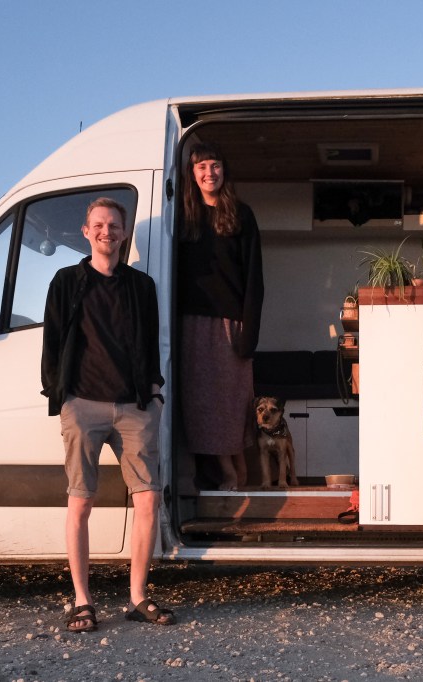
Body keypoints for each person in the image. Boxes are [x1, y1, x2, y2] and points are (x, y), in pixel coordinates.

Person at [41, 197, 175, 633]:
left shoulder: (141, 285)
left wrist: (154, 391)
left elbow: (151, 341)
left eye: (114, 225)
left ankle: (137, 597)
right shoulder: (66, 281)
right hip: (82, 404)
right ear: (86, 232)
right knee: (81, 501)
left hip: (135, 405)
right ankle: (82, 601)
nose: (106, 232)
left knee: (148, 500)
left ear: (124, 233)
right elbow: (52, 340)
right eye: (98, 225)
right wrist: (60, 395)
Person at [178, 142, 265, 491]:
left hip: (233, 324)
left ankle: (239, 473)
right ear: (192, 173)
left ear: (224, 170)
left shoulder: (242, 215)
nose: (209, 173)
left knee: (231, 405)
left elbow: (254, 279)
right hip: (192, 324)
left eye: (214, 165)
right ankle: (228, 474)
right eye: (201, 167)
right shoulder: (183, 216)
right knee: (201, 405)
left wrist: (250, 334)